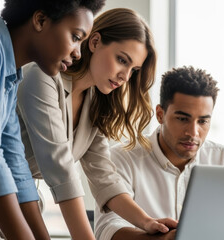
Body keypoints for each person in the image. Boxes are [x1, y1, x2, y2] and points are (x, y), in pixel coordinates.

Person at [17, 8, 178, 240]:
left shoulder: (95, 105)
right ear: (94, 41)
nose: (125, 76)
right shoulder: (42, 77)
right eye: (122, 60)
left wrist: (147, 222)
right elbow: (60, 171)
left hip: (24, 205)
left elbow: (104, 177)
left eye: (133, 70)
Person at [0, 0, 105, 239]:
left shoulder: (11, 79)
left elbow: (16, 165)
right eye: (76, 37)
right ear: (40, 21)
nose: (78, 53)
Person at [94, 66, 224, 240]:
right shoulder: (123, 157)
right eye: (183, 119)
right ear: (160, 115)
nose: (193, 132)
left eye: (202, 121)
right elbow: (106, 231)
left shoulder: (221, 158)